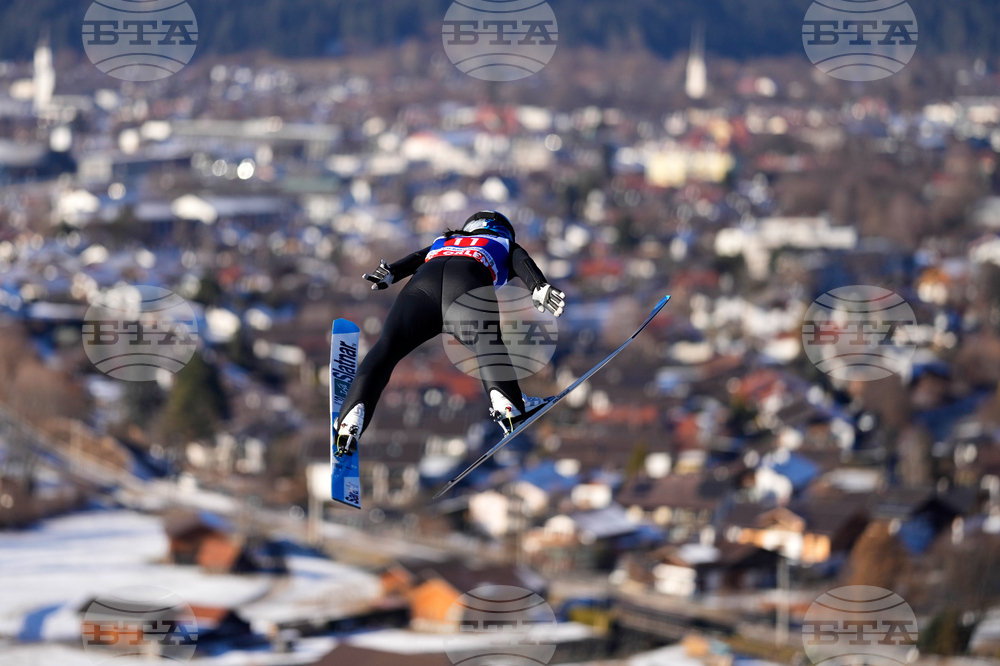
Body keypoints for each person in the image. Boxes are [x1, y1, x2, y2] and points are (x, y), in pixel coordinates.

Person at [334, 211, 566, 457]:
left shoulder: (443, 241)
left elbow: (413, 260)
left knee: (388, 347)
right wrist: (538, 286)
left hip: (420, 291)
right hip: (466, 286)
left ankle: (351, 420)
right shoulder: (504, 243)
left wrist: (391, 273)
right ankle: (508, 405)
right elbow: (523, 264)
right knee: (486, 343)